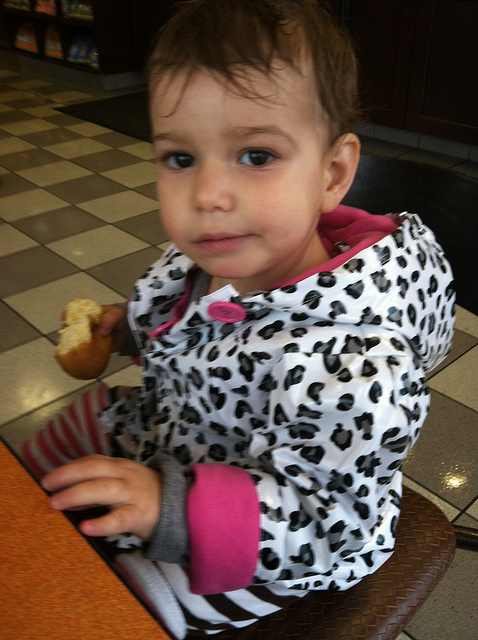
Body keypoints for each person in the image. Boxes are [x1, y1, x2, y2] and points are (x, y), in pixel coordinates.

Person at [21, 0, 455, 637]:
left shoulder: (353, 363)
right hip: (178, 431)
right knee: (82, 417)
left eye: (255, 155)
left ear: (333, 173)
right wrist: (127, 326)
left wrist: (172, 510)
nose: (206, 196)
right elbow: (179, 321)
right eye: (181, 158)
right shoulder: (215, 255)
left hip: (268, 528)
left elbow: (325, 519)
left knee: (136, 597)